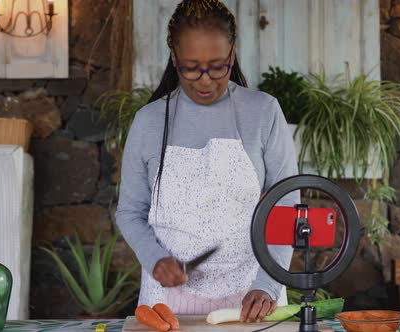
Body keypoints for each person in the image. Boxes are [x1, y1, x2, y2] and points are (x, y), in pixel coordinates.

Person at [116, 0, 299, 323]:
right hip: (167, 303)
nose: (204, 80)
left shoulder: (263, 112)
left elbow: (285, 207)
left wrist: (267, 284)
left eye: (217, 66)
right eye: (190, 67)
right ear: (174, 59)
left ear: (232, 55)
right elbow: (130, 212)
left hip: (253, 300)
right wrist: (155, 258)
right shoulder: (149, 121)